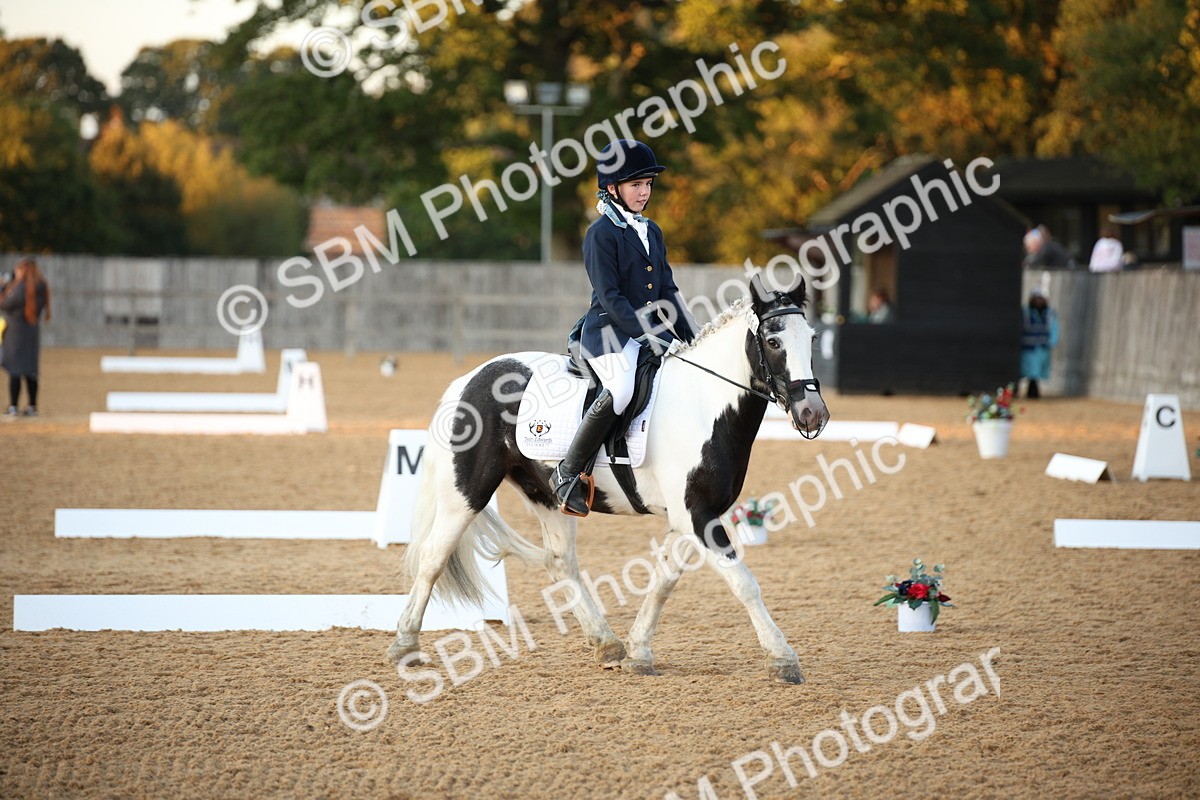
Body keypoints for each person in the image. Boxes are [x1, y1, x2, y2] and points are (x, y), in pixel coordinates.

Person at [550, 139, 697, 517]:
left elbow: (668, 291)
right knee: (620, 387)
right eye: (636, 185)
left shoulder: (652, 231)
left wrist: (694, 337)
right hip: (608, 333)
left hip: (648, 333)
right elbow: (610, 295)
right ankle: (568, 474)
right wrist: (646, 333)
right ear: (612, 188)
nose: (644, 192)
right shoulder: (601, 233)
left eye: (648, 184)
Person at [1, 257, 51, 417]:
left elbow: (5, 304)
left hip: (15, 333)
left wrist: (2, 287)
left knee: (15, 370)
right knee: (30, 371)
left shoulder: (21, 288)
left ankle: (13, 406)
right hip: (32, 332)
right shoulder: (42, 287)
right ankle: (32, 406)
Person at [1020, 287, 1058, 399]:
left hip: (1042, 347)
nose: (1038, 301)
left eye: (1040, 299)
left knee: (1037, 372)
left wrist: (1052, 342)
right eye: (1036, 299)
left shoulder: (1050, 313)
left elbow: (1054, 328)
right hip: (1028, 347)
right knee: (1029, 370)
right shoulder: (1026, 312)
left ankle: (1033, 391)